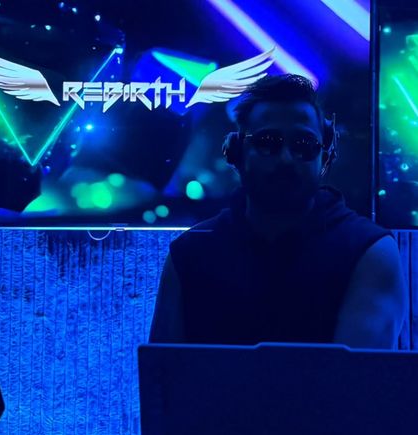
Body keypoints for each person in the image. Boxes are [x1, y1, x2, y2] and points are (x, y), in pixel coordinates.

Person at [149, 74, 406, 349]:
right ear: (236, 152)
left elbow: (355, 376)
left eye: (303, 145)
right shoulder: (188, 253)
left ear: (325, 157)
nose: (286, 159)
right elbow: (162, 373)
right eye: (268, 142)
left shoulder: (369, 252)